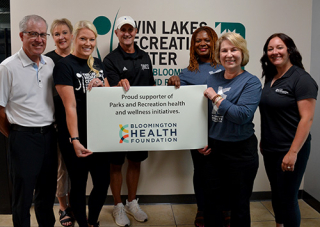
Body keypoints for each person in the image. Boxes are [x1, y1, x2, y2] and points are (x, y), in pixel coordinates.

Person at [0, 15, 57, 227]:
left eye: (43, 34)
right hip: (22, 138)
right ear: (22, 35)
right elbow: (0, 109)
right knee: (23, 198)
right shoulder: (7, 67)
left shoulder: (49, 63)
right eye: (33, 34)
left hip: (49, 137)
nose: (39, 39)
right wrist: (16, 134)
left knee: (46, 194)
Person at [199, 32, 261, 226]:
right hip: (213, 151)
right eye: (224, 50)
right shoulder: (212, 80)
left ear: (242, 53)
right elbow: (202, 115)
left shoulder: (251, 82)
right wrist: (200, 139)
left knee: (239, 206)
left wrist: (216, 98)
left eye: (234, 49)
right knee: (212, 204)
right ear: (218, 55)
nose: (229, 54)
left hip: (240, 151)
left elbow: (242, 115)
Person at [53, 20, 110, 227]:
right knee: (78, 184)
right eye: (83, 38)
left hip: (98, 134)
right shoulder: (64, 66)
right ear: (75, 39)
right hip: (75, 135)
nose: (88, 43)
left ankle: (93, 221)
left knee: (103, 182)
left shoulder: (97, 64)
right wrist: (75, 139)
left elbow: (108, 97)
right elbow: (70, 106)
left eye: (92, 39)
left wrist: (106, 88)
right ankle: (83, 225)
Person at [167, 26, 224, 227]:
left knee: (224, 172)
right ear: (193, 45)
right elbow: (176, 101)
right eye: (198, 41)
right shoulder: (187, 72)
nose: (202, 44)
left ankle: (225, 209)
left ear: (214, 42)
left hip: (224, 132)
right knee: (201, 173)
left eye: (207, 40)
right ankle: (202, 208)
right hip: (198, 134)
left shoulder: (227, 66)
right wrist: (171, 81)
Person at [259, 33, 318, 227]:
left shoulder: (302, 79)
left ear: (289, 50)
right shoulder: (272, 77)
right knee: (276, 193)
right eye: (270, 49)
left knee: (289, 198)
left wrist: (293, 152)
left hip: (291, 149)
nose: (274, 52)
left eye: (279, 47)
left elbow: (307, 118)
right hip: (271, 149)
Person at [103, 15, 154, 227]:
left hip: (140, 120)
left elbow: (151, 87)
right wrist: (117, 86)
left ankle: (132, 202)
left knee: (135, 161)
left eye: (130, 29)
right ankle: (118, 206)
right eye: (122, 30)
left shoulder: (145, 56)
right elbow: (110, 92)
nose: (127, 33)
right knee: (116, 164)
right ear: (116, 33)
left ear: (135, 32)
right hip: (118, 122)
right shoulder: (110, 60)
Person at [45, 18, 74, 227]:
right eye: (57, 34)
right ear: (52, 37)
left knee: (76, 168)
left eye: (65, 33)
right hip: (55, 122)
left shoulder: (80, 57)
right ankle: (63, 207)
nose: (61, 37)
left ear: (71, 35)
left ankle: (74, 204)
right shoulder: (46, 60)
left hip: (78, 122)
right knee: (61, 168)